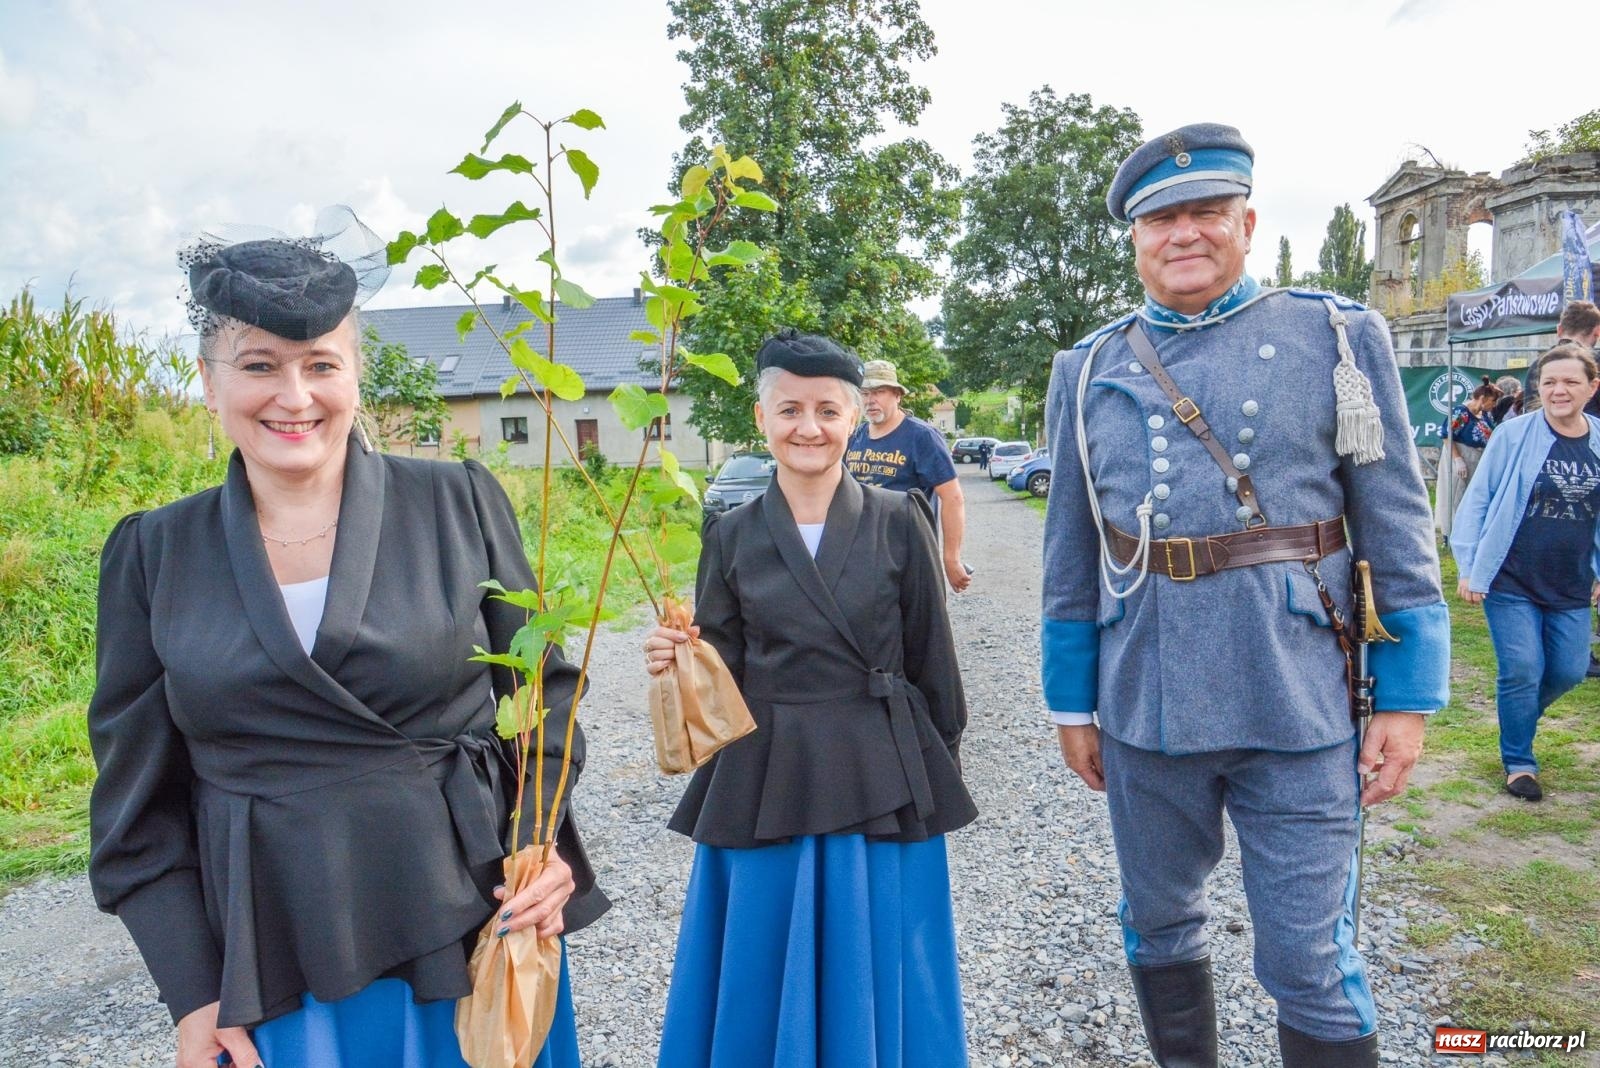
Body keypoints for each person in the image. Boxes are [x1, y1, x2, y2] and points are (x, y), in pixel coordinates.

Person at [87, 210, 608, 1068]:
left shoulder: (459, 503)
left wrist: (542, 845)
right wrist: (193, 994)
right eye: (259, 366)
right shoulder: (153, 553)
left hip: (470, 925)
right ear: (209, 383)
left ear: (356, 375)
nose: (294, 397)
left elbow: (541, 693)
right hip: (276, 956)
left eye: (322, 365)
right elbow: (135, 805)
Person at [1041, 125, 1450, 1066]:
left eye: (1206, 213)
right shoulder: (1088, 366)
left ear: (1247, 224)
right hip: (1145, 695)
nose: (1184, 233)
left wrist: (1407, 699)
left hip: (1297, 693)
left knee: (1309, 955)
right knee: (1157, 920)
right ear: (1136, 239)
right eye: (1162, 220)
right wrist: (1072, 703)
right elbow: (1070, 547)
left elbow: (1394, 524)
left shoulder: (1336, 334)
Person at [644, 330, 977, 1068]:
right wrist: (677, 662)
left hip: (880, 771)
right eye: (789, 409)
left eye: (828, 410)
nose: (809, 428)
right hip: (767, 772)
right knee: (764, 967)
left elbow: (934, 662)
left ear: (855, 418)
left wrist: (938, 771)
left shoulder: (900, 519)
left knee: (880, 968)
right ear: (760, 418)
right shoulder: (730, 534)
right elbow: (722, 669)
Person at [1451, 343, 1600, 801]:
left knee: (1570, 670)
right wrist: (1469, 565)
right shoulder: (1513, 435)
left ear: (1592, 387)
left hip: (1572, 580)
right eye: (1549, 382)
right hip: (1511, 577)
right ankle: (1519, 761)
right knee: (1522, 668)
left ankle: (1517, 719)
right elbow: (1477, 499)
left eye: (1571, 381)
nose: (1559, 390)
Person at [844, 359, 972, 592]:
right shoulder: (855, 436)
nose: (870, 400)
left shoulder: (922, 437)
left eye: (879, 392)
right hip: (861, 555)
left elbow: (953, 498)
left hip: (910, 557)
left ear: (897, 395)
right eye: (864, 393)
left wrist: (951, 559)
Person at [1435, 377, 1502, 540]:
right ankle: (1450, 534)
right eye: (1492, 401)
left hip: (1477, 458)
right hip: (1460, 456)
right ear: (1482, 398)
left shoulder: (1484, 414)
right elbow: (1447, 435)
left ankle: (1469, 533)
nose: (1494, 405)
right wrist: (1458, 460)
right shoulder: (1462, 412)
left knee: (1473, 496)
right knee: (1455, 494)